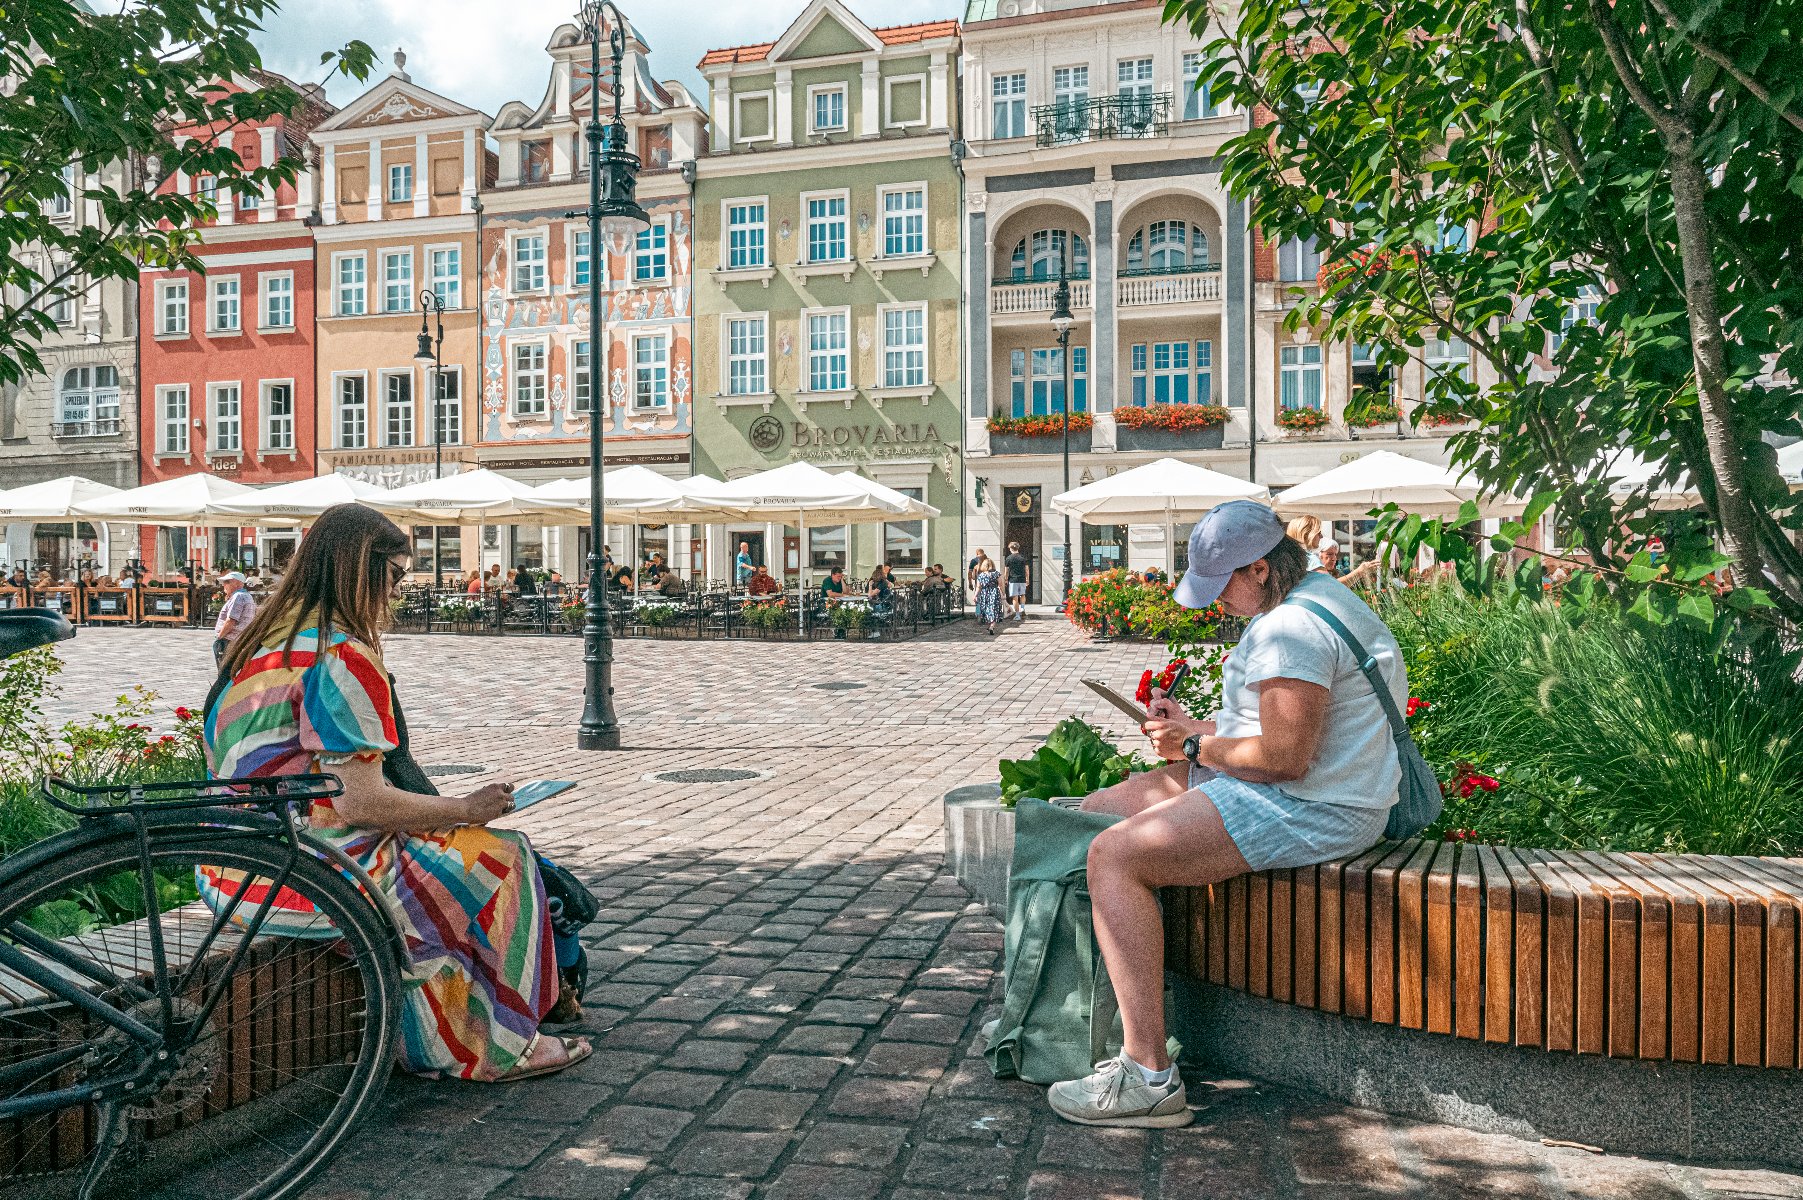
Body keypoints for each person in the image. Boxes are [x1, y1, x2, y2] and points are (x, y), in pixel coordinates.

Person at [203, 504, 590, 1082]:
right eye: (395, 574)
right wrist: (465, 809)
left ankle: (451, 1026)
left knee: (449, 861)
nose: (397, 589)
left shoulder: (260, 645)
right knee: (502, 859)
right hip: (303, 872)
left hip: (228, 868)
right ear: (363, 569)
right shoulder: (341, 655)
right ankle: (492, 1045)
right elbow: (360, 803)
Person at [1051, 501, 1401, 1128]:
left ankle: (1148, 1075)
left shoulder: (1291, 630)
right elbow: (1278, 732)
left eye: (1222, 585)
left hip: (1314, 805)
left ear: (1260, 569)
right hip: (1310, 788)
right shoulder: (1316, 599)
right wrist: (1194, 731)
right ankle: (1069, 1016)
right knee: (1097, 812)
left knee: (1114, 856)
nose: (1215, 601)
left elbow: (1285, 759)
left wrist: (1192, 746)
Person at [212, 571, 257, 668]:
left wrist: (219, 638)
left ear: (237, 583)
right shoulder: (247, 596)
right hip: (239, 639)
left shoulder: (238, 596)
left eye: (227, 582)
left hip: (229, 640)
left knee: (225, 671)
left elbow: (231, 620)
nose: (224, 585)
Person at [972, 555, 1003, 635]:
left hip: (984, 593)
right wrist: (1003, 593)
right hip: (994, 592)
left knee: (986, 609)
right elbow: (1000, 584)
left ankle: (989, 625)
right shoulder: (996, 574)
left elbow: (978, 587)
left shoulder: (981, 575)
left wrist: (975, 595)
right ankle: (992, 626)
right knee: (994, 609)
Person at [1003, 542, 1030, 623]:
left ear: (1011, 549)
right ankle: (1022, 608)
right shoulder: (1023, 557)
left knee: (1015, 597)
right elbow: (1026, 569)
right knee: (1022, 595)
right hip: (1022, 579)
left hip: (1013, 580)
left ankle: (1017, 615)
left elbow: (1006, 571)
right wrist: (1027, 579)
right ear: (1018, 548)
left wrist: (1006, 579)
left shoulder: (1008, 558)